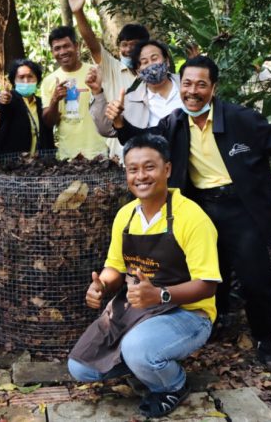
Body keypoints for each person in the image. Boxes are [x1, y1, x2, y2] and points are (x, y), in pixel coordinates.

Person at [110, 55, 271, 363]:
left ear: (213, 88)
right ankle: (216, 320)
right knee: (210, 271)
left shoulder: (241, 119)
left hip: (242, 208)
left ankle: (267, 338)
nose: (192, 91)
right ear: (179, 85)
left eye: (201, 84)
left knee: (254, 276)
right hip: (200, 207)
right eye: (186, 83)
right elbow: (145, 145)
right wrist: (121, 124)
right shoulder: (174, 123)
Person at [68, 134, 220, 418]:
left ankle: (172, 385)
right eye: (132, 169)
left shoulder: (193, 218)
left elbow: (208, 286)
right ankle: (146, 363)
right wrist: (102, 285)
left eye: (149, 167)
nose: (141, 176)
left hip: (189, 314)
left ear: (167, 169)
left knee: (138, 349)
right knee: (81, 367)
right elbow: (115, 267)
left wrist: (161, 294)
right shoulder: (125, 215)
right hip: (137, 310)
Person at [67, 0, 147, 158]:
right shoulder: (113, 68)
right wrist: (78, 12)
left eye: (134, 45)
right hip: (120, 155)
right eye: (124, 45)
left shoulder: (156, 77)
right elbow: (93, 45)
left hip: (151, 151)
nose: (127, 50)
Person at [90, 39, 182, 140]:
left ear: (167, 61)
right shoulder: (130, 101)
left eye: (154, 58)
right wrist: (97, 92)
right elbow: (107, 130)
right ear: (138, 72)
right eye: (144, 62)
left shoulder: (187, 85)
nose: (151, 64)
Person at [40, 26, 108, 160]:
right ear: (52, 52)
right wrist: (55, 99)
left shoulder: (95, 72)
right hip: (68, 155)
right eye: (57, 48)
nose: (62, 52)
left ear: (76, 46)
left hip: (99, 152)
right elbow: (49, 123)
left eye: (66, 46)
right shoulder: (49, 81)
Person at [0, 59, 55, 155]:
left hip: (39, 164)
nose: (26, 81)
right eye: (21, 77)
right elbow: (4, 109)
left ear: (37, 79)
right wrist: (4, 101)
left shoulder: (41, 103)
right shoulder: (11, 99)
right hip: (14, 164)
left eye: (30, 76)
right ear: (14, 81)